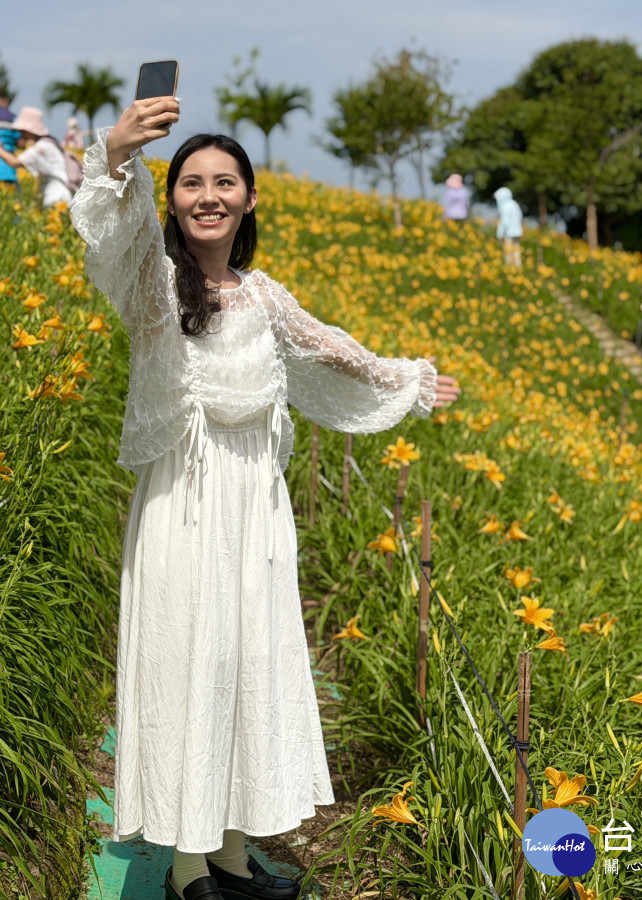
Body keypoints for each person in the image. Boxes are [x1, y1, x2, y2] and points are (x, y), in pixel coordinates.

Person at [69, 97, 461, 900]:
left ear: (249, 199)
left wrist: (411, 378)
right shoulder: (151, 280)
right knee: (188, 660)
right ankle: (185, 867)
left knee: (247, 662)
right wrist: (115, 155)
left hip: (255, 509)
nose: (207, 195)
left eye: (225, 183)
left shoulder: (264, 295)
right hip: (184, 500)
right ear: (171, 199)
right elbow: (110, 236)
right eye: (190, 183)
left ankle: (234, 856)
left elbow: (334, 349)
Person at [0, 107, 74, 208]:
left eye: (21, 130)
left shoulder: (41, 147)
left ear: (28, 130)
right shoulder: (49, 143)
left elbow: (14, 162)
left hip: (57, 197)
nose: (20, 134)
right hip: (62, 195)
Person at [494, 186, 523, 266]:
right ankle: (518, 266)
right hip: (517, 231)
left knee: (508, 251)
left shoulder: (506, 206)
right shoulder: (514, 204)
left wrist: (500, 233)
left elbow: (504, 222)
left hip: (508, 233)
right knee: (516, 250)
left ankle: (510, 267)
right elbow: (520, 216)